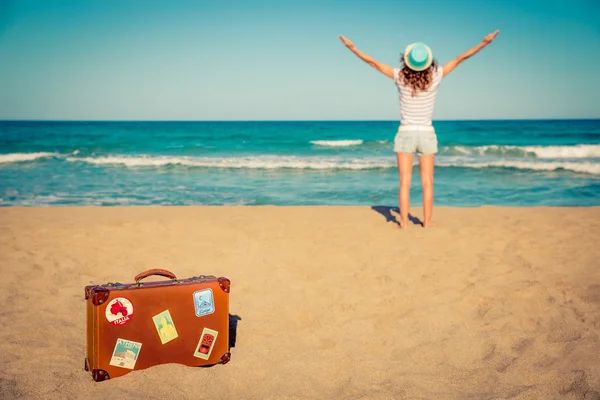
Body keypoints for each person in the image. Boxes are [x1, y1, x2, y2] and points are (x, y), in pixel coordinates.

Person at [339, 30, 499, 228]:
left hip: (405, 133)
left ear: (407, 60)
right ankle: (427, 222)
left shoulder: (399, 76)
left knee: (404, 183)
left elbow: (373, 63)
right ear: (428, 61)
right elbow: (460, 59)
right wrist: (484, 43)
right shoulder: (436, 75)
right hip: (426, 134)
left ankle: (404, 223)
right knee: (427, 183)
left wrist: (353, 48)